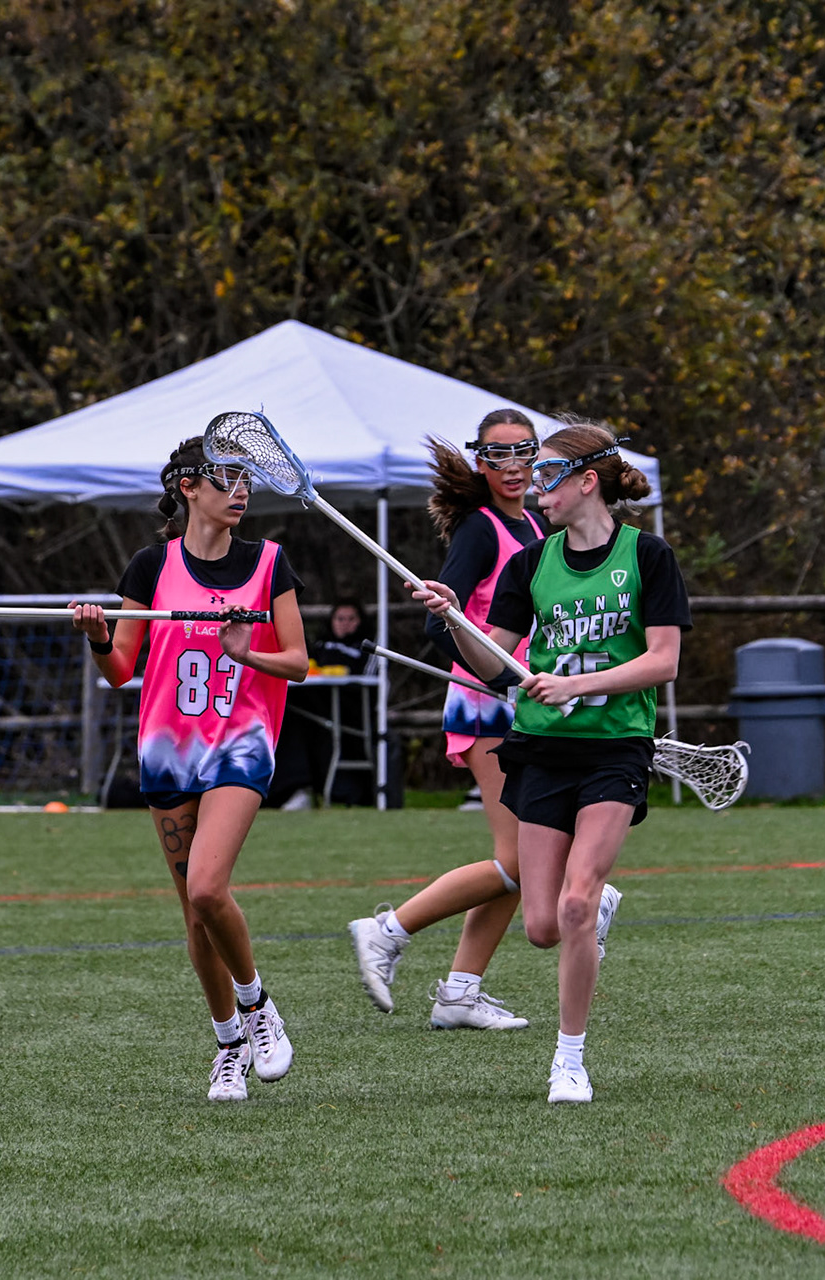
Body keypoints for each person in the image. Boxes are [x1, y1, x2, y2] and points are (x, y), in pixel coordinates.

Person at [411, 417, 689, 1103]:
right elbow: (491, 664)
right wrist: (455, 618)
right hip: (541, 749)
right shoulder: (530, 563)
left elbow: (663, 661)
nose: (536, 489)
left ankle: (569, 1060)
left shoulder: (648, 556)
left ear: (587, 481)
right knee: (541, 926)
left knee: (573, 904)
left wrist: (577, 684)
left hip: (614, 747)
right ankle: (587, 912)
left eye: (547, 476)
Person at [348, 410, 622, 1030]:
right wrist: (503, 677)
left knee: (519, 865)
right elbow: (438, 624)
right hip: (487, 705)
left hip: (532, 703)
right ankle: (389, 930)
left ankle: (460, 991)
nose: (515, 465)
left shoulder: (537, 522)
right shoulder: (480, 528)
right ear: (481, 462)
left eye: (525, 451)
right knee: (521, 861)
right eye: (499, 455)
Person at [70, 436, 310, 1102]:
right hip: (168, 750)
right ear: (189, 487)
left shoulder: (269, 562)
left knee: (207, 888)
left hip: (241, 744)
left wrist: (246, 651)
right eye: (226, 477)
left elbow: (297, 662)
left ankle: (258, 1006)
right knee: (195, 918)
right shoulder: (150, 567)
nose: (241, 490)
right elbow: (121, 670)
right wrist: (97, 636)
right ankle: (229, 1044)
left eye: (246, 478)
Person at [271, 598, 373, 810]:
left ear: (360, 621)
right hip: (313, 707)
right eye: (340, 619)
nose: (345, 624)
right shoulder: (319, 646)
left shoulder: (366, 649)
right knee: (286, 718)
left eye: (351, 619)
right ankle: (291, 791)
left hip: (348, 710)